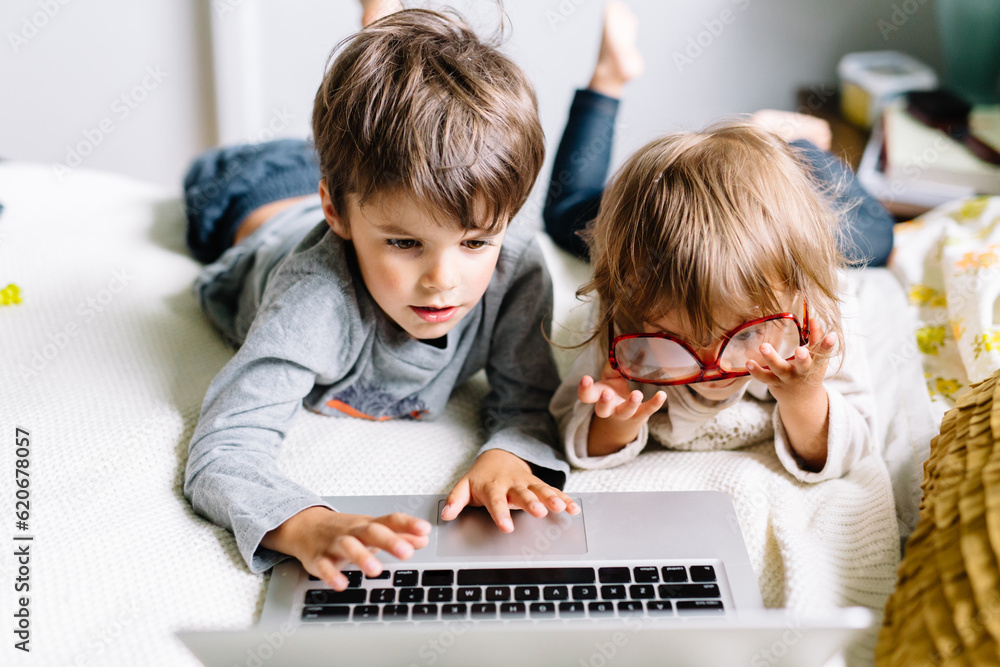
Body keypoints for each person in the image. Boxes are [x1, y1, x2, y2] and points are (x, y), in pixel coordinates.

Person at [182, 7, 578, 593]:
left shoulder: (516, 267)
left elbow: (528, 401)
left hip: (379, 182)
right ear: (337, 213)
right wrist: (304, 524)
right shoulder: (313, 300)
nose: (443, 280)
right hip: (251, 197)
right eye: (404, 244)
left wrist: (510, 458)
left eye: (475, 242)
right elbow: (225, 448)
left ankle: (384, 35)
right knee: (237, 186)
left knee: (386, 160)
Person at [549, 117, 877, 478]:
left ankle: (794, 139)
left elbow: (854, 447)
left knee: (880, 237)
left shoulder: (818, 309)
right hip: (621, 219)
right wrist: (614, 425)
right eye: (673, 339)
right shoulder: (623, 313)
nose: (710, 368)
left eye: (747, 333)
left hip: (819, 209)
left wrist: (804, 398)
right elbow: (571, 428)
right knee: (566, 214)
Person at [543, 2, 896, 267]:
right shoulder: (788, 234)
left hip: (667, 207)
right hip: (705, 208)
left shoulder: (641, 239)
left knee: (565, 213)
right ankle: (772, 136)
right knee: (876, 236)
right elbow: (881, 232)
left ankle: (609, 76)